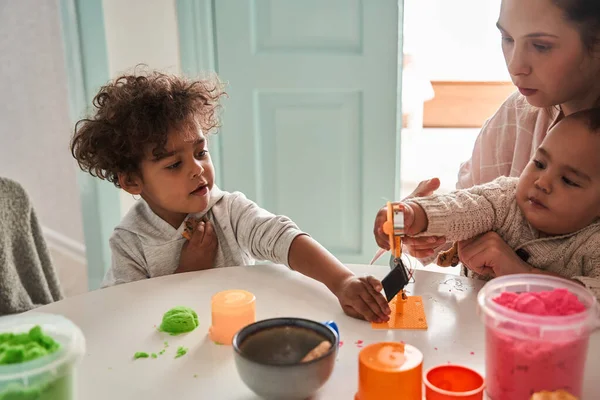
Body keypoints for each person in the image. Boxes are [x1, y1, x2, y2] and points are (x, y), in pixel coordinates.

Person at [71, 70, 390, 323]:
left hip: (239, 344)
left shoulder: (228, 210)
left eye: (201, 152)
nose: (197, 169)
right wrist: (188, 272)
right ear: (131, 181)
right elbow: (125, 317)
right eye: (174, 164)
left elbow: (284, 238)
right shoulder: (129, 242)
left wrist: (342, 282)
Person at [375, 0, 600, 278]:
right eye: (507, 38)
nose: (515, 65)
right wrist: (417, 220)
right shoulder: (516, 116)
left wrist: (522, 273)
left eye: (541, 46)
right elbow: (471, 209)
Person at [384, 109, 600, 297]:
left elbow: (592, 301)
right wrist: (406, 216)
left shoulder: (593, 243)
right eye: (539, 163)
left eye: (568, 180)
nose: (542, 182)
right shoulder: (505, 198)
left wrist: (525, 276)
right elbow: (459, 209)